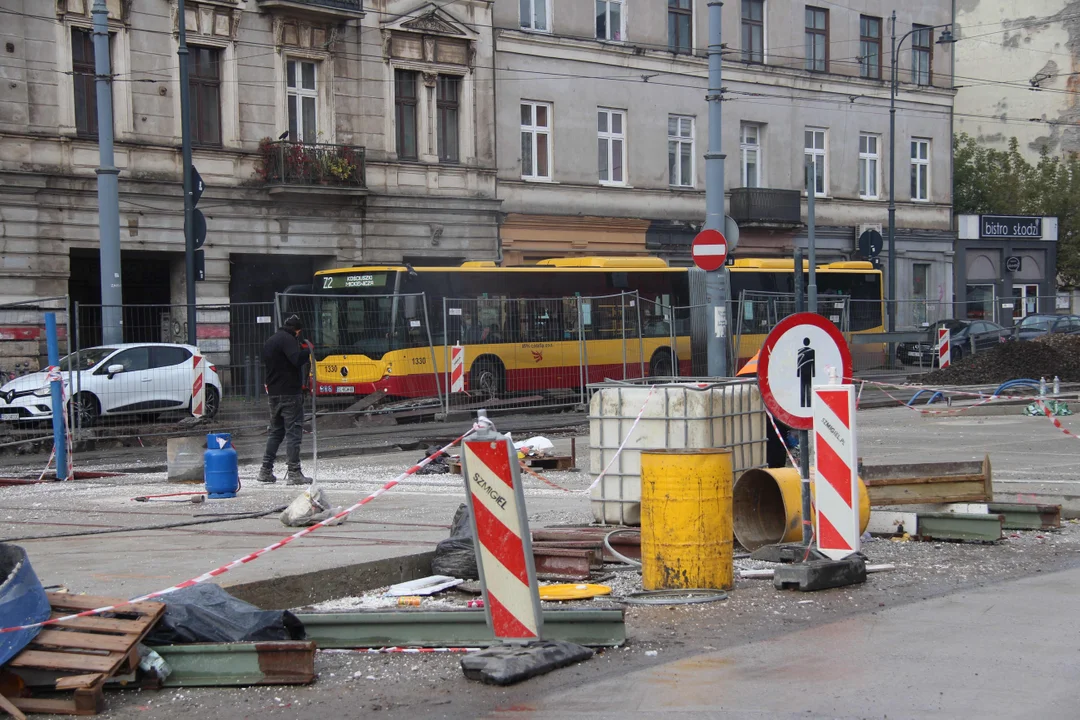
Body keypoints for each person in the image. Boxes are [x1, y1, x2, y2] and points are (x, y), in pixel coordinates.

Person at [258, 314, 313, 485]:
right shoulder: (289, 340)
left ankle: (265, 470)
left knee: (276, 431)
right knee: (294, 432)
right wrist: (307, 351)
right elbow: (296, 359)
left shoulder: (271, 340)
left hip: (274, 393)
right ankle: (294, 472)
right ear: (297, 331)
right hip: (289, 392)